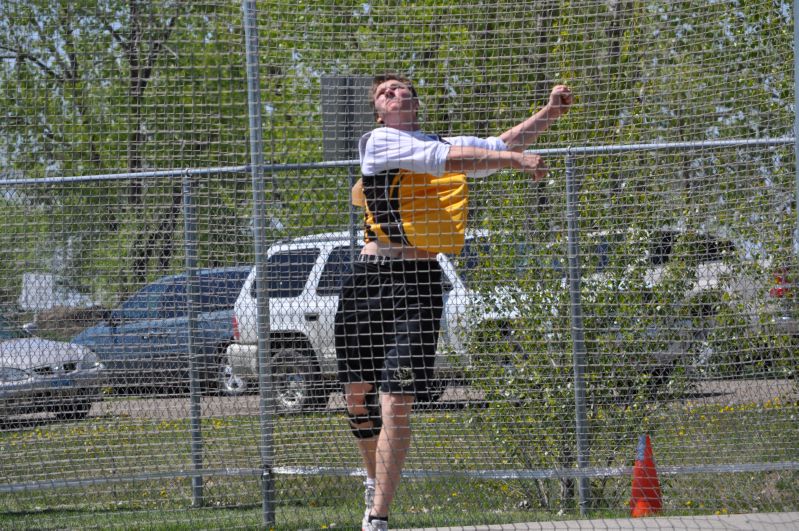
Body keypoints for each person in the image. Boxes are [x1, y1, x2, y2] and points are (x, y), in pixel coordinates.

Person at [334, 73, 572, 531]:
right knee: (356, 397)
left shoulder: (438, 140)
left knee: (396, 402)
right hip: (368, 279)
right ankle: (373, 480)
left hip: (418, 281)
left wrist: (548, 114)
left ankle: (377, 517)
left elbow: (494, 148)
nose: (394, 92)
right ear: (379, 111)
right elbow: (446, 159)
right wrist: (518, 162)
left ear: (413, 102)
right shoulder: (379, 141)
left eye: (401, 88)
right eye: (384, 91)